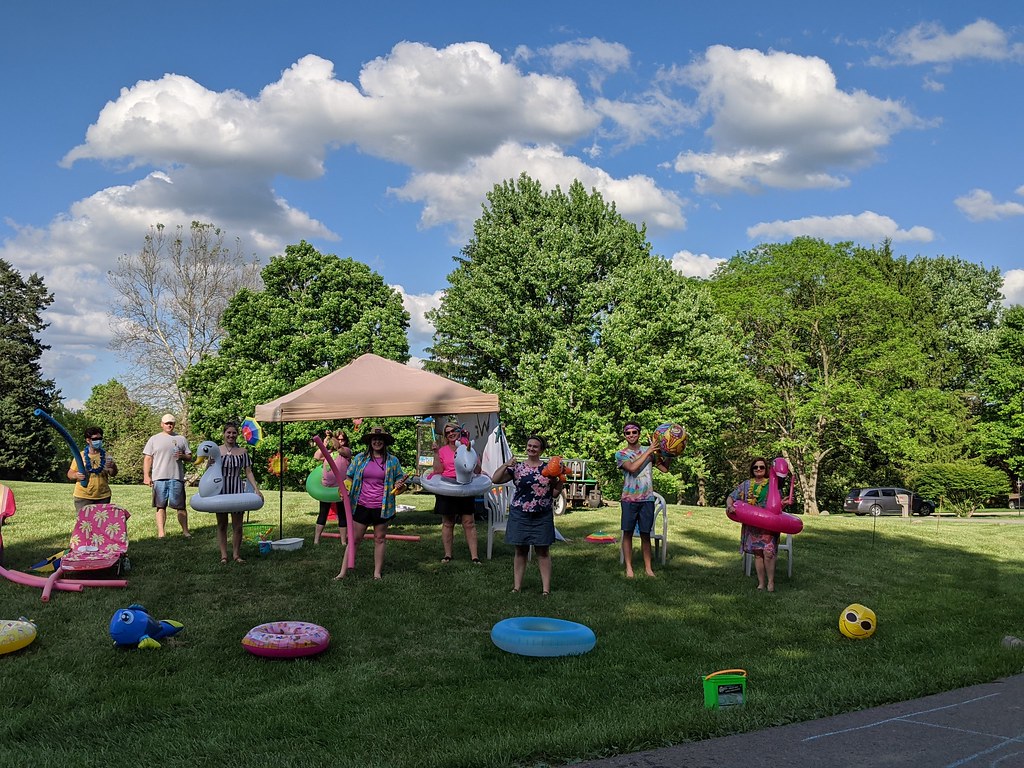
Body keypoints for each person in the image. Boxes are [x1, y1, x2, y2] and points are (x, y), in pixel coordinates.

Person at [492, 435, 563, 594]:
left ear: (541, 450)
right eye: (529, 445)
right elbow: (495, 479)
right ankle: (517, 587)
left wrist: (561, 479)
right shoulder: (517, 467)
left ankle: (546, 590)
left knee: (543, 551)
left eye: (535, 446)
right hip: (520, 514)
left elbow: (554, 494)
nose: (531, 448)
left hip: (542, 514)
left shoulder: (548, 470)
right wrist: (506, 464)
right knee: (520, 550)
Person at [334, 426, 407, 581]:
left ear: (385, 442)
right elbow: (349, 477)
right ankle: (342, 573)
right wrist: (345, 488)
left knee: (380, 538)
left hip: (382, 507)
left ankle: (377, 574)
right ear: (370, 441)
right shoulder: (360, 458)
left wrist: (400, 486)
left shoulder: (393, 461)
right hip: (361, 504)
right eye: (374, 439)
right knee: (354, 539)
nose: (377, 441)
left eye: (380, 439)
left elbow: (399, 483)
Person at [615, 421, 671, 578]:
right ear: (624, 435)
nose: (631, 435)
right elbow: (632, 469)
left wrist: (670, 453)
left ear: (639, 433)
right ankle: (629, 568)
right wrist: (649, 452)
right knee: (627, 533)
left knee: (646, 534)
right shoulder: (621, 454)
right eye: (628, 433)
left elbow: (665, 469)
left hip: (647, 499)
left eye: (634, 432)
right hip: (629, 499)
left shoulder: (650, 451)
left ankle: (648, 569)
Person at [726, 457, 781, 592]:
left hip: (768, 525)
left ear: (766, 469)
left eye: (761, 467)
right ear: (752, 470)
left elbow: (779, 503)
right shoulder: (746, 485)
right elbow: (731, 497)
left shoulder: (772, 485)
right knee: (758, 554)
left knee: (768, 553)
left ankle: (771, 583)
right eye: (755, 467)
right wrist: (729, 506)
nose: (758, 469)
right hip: (752, 525)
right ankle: (761, 583)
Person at [433, 422, 482, 565]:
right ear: (445, 436)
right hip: (447, 487)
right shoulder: (442, 451)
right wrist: (435, 454)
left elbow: (477, 470)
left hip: (465, 487)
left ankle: (475, 557)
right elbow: (437, 470)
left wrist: (474, 457)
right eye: (447, 432)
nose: (450, 434)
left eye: (453, 430)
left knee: (469, 522)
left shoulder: (468, 448)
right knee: (448, 523)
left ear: (459, 431)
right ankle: (447, 555)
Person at [217, 421, 263, 564]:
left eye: (234, 433)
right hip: (221, 489)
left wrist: (256, 488)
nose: (231, 435)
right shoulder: (216, 450)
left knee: (238, 525)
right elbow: (210, 471)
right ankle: (224, 556)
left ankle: (236, 554)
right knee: (222, 524)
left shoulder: (243, 452)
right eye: (228, 432)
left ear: (238, 435)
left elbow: (248, 471)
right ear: (224, 434)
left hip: (237, 489)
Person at [142, 414, 193, 538]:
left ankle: (185, 531)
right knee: (160, 506)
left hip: (176, 477)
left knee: (180, 506)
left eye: (171, 423)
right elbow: (148, 458)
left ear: (174, 424)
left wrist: (182, 456)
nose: (169, 425)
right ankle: (161, 533)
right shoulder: (154, 439)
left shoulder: (181, 439)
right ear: (161, 424)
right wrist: (146, 476)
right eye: (166, 423)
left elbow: (190, 457)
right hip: (159, 477)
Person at [313, 430, 352, 545]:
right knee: (323, 513)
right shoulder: (328, 452)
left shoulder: (346, 452)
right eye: (338, 439)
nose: (341, 441)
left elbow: (339, 448)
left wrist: (332, 438)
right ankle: (316, 540)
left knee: (342, 514)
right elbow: (316, 456)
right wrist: (324, 443)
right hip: (326, 488)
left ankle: (343, 541)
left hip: (341, 489)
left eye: (342, 439)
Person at [68, 426, 118, 511]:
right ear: (88, 440)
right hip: (83, 496)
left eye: (100, 438)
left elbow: (113, 474)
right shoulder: (81, 456)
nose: (98, 441)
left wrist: (113, 466)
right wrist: (76, 475)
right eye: (95, 439)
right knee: (84, 523)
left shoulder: (106, 456)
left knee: (101, 522)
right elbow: (69, 474)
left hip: (103, 496)